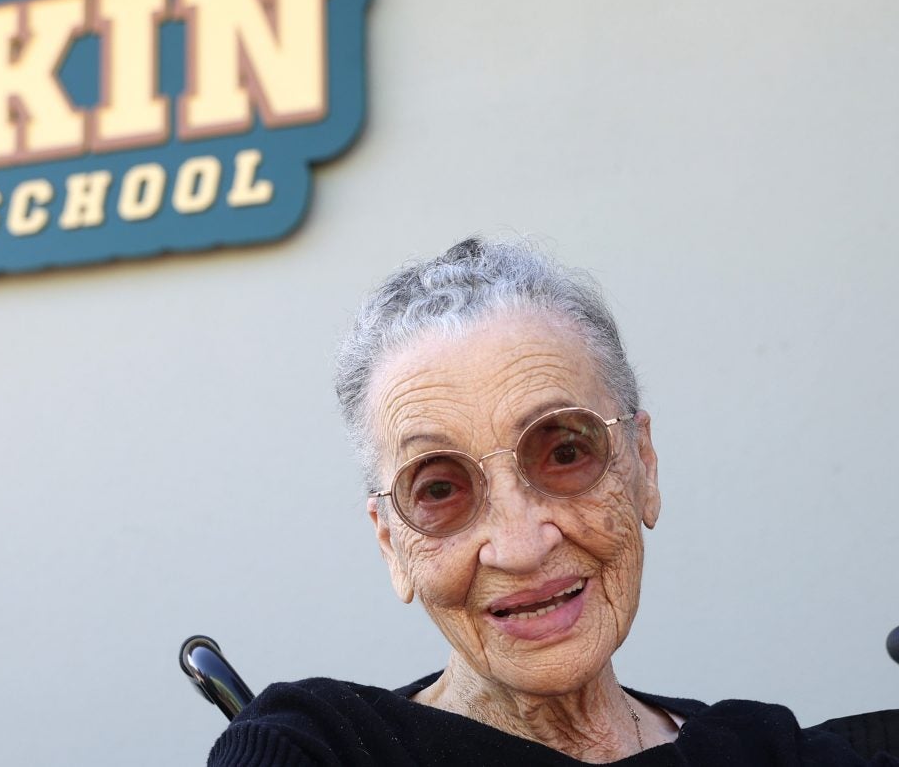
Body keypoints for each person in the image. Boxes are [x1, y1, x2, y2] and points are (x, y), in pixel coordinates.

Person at [207, 236, 897, 766]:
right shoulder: (318, 746)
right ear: (393, 544)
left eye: (566, 452)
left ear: (643, 466)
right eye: (440, 488)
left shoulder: (765, 751)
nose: (522, 545)